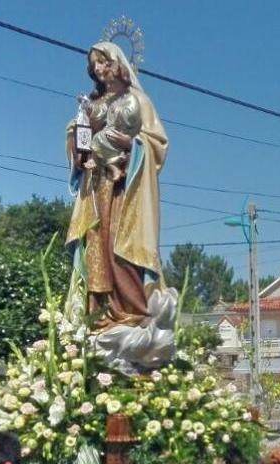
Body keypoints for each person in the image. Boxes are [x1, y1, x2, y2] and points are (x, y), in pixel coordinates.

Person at [66, 40, 168, 330]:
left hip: (125, 188)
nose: (98, 69)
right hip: (95, 189)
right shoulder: (93, 104)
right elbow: (81, 146)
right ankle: (101, 318)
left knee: (121, 246)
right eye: (94, 64)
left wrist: (133, 144)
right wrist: (79, 137)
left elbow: (157, 143)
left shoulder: (138, 101)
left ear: (117, 63)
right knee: (96, 249)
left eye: (103, 62)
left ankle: (134, 314)